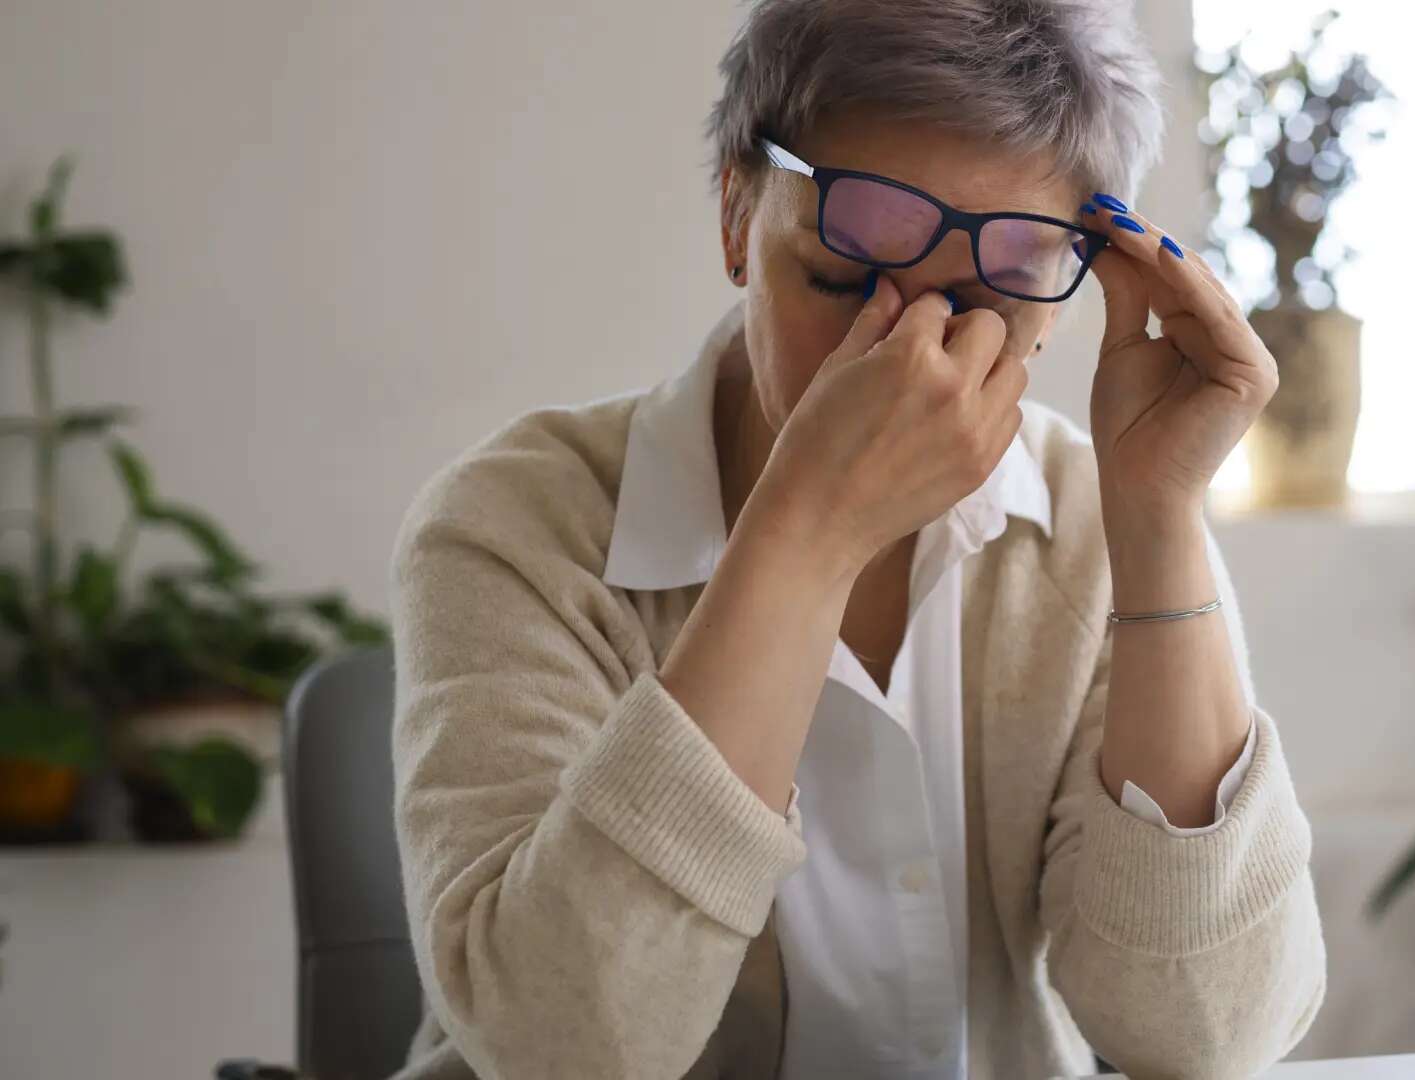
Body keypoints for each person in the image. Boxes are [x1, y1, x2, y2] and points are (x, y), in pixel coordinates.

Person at [388, 2, 1325, 1077]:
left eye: (985, 294)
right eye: (843, 274)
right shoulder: (518, 527)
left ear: (1064, 291)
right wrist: (807, 533)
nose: (904, 354)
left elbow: (1208, 1036)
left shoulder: (1094, 522)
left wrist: (1159, 522)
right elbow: (562, 1048)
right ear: (739, 218)